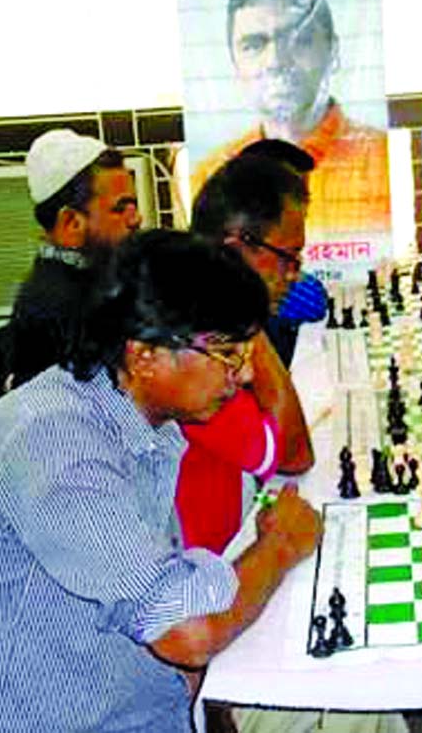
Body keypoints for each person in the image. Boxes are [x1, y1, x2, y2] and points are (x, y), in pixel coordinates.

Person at [0, 230, 322, 732]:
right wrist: (279, 545)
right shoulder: (56, 445)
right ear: (144, 355)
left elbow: (167, 613)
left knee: (358, 709)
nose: (240, 377)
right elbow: (188, 632)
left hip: (126, 694)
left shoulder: (139, 420)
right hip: (56, 720)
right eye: (227, 355)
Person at [181, 142, 316, 554]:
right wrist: (248, 314)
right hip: (198, 580)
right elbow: (294, 454)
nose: (294, 275)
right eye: (287, 257)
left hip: (226, 538)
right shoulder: (193, 332)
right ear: (237, 249)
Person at [190, 0, 390, 237]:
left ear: (333, 50)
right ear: (234, 63)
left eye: (298, 40)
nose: (276, 61)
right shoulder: (211, 176)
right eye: (254, 45)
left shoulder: (381, 163)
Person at [8, 128, 142, 385]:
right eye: (120, 209)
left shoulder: (89, 284)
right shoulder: (61, 303)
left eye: (134, 207)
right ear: (71, 223)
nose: (136, 219)